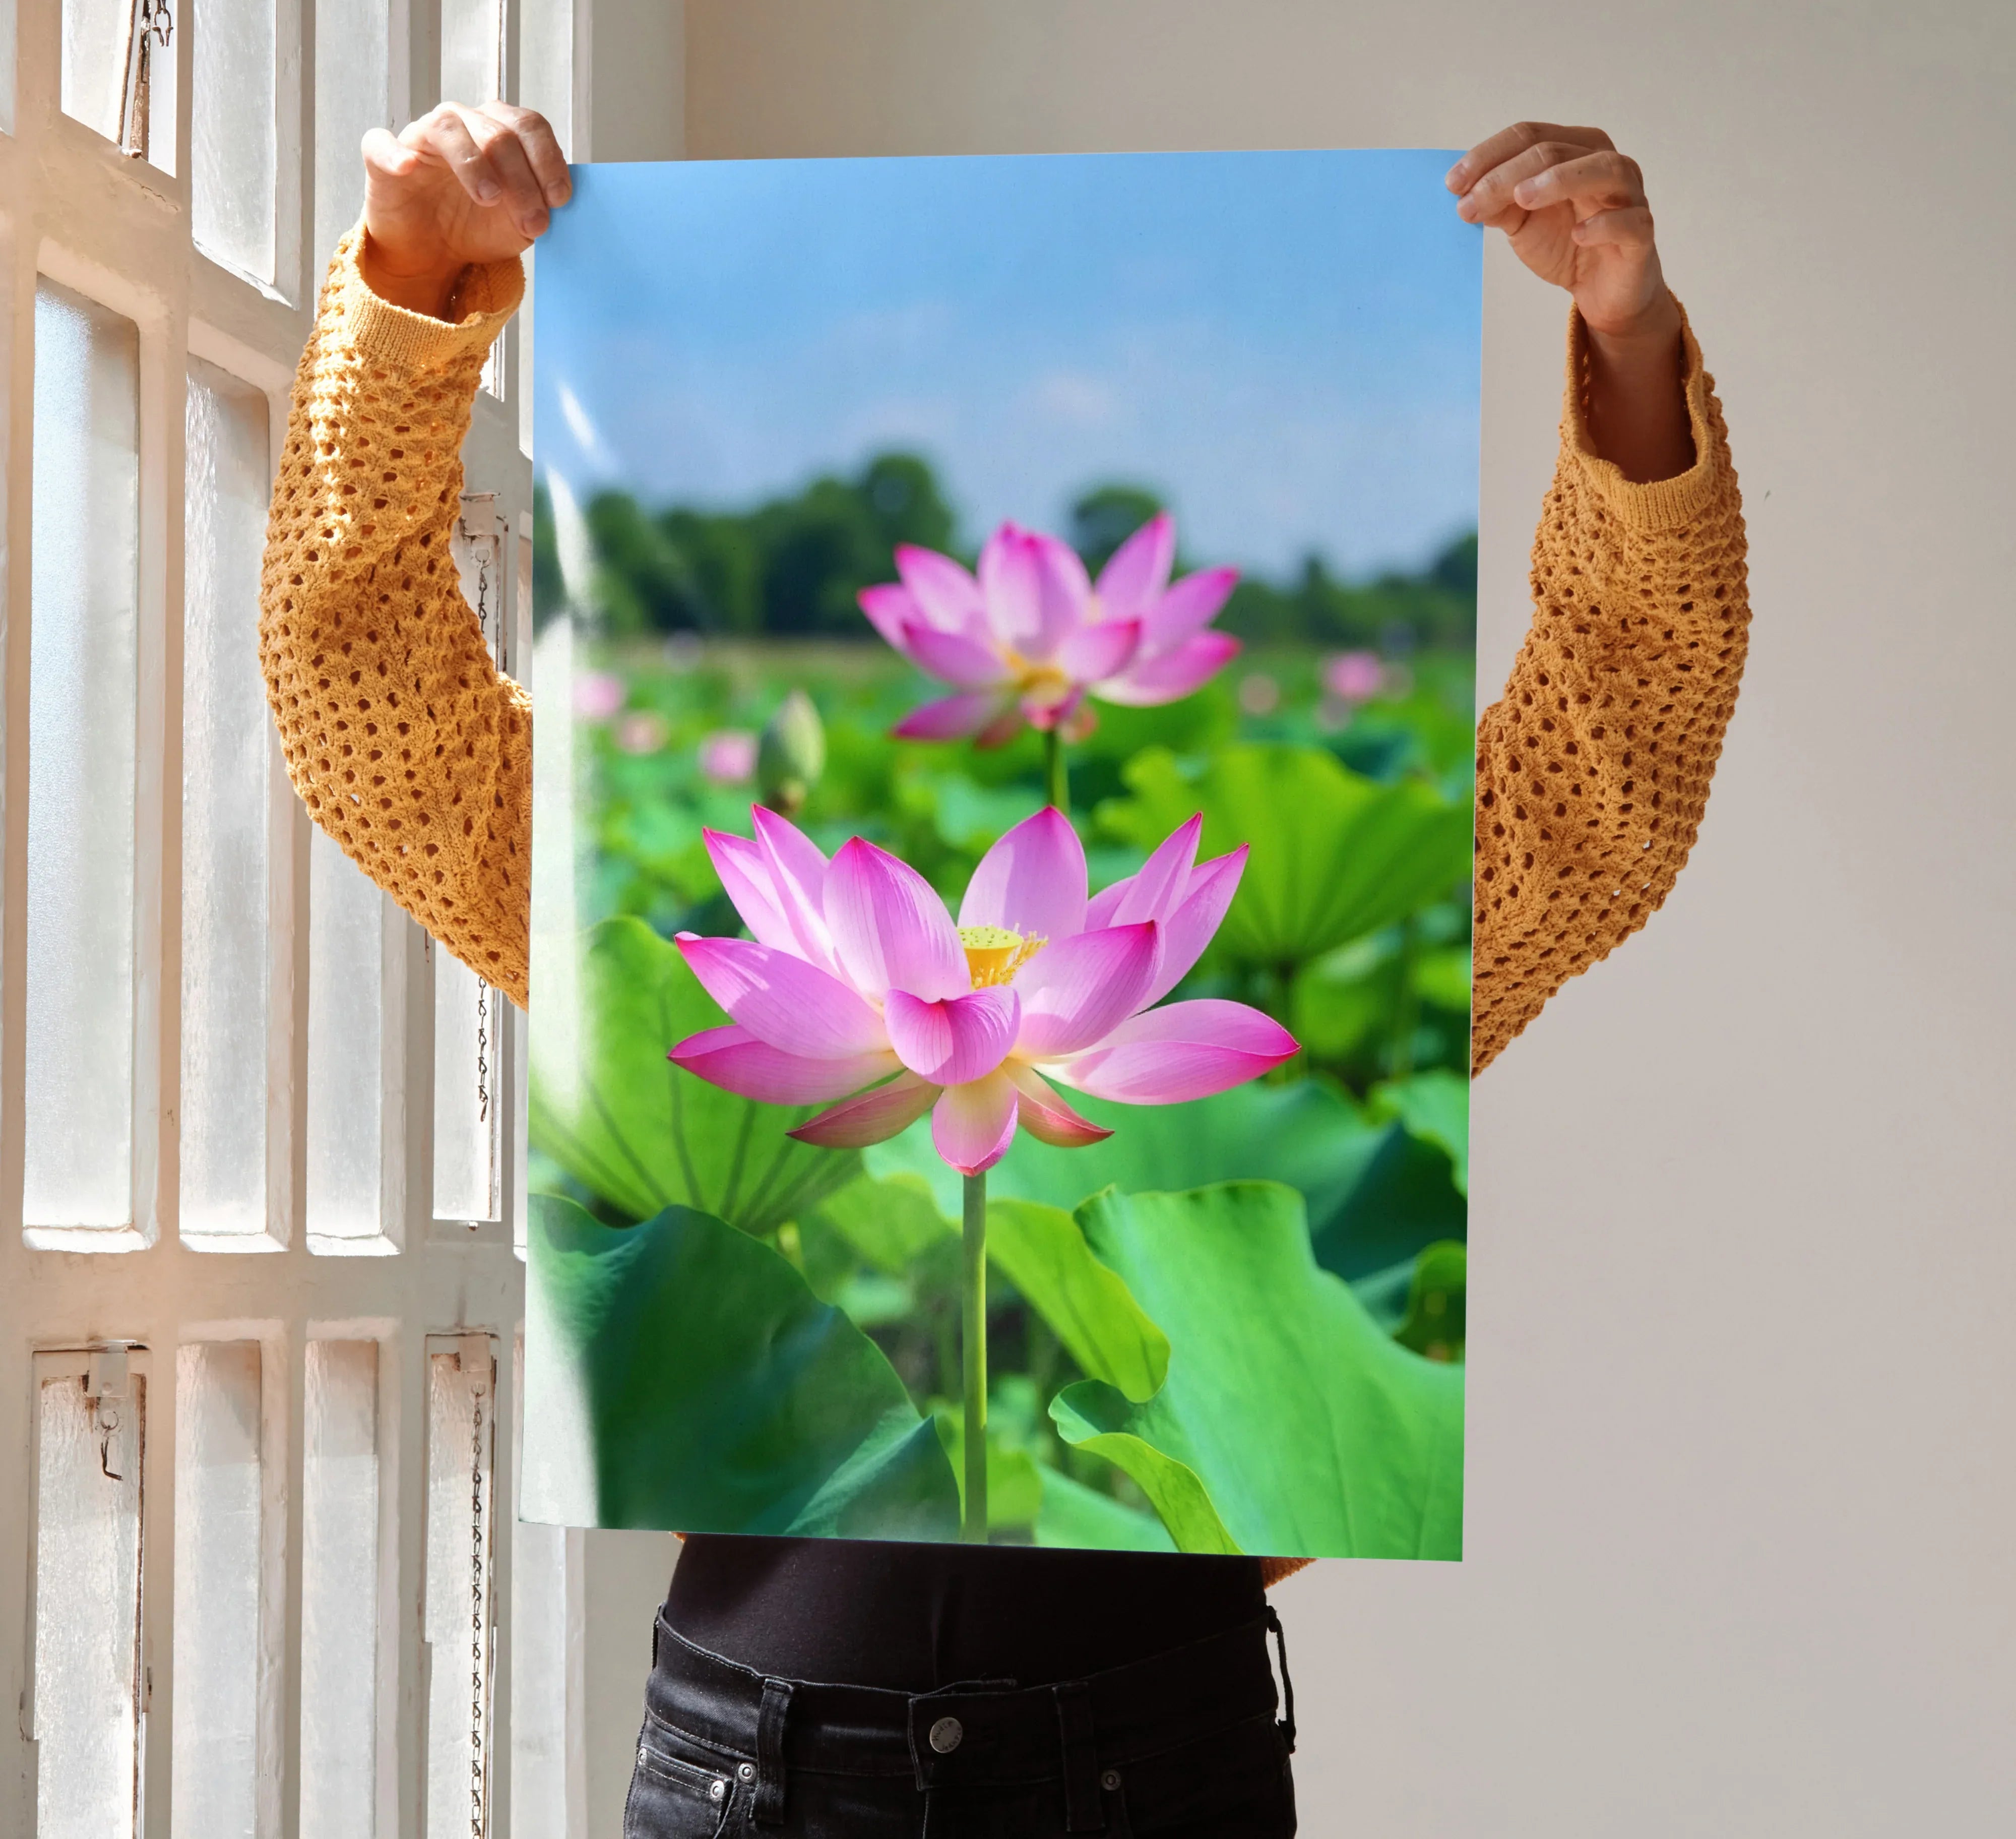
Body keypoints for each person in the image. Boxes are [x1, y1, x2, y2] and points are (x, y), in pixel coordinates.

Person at [260, 104, 1748, 1837]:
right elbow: (363, 702)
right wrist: (411, 286)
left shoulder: (1258, 968)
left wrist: (1628, 345)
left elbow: (1607, 779)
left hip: (1156, 1759)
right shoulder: (674, 926)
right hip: (755, 1770)